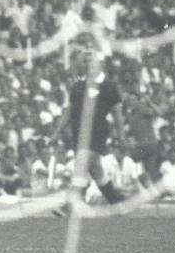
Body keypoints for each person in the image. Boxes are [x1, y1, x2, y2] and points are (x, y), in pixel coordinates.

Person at [50, 52, 126, 209]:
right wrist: (57, 132)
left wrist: (121, 136)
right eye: (85, 61)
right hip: (79, 133)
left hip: (97, 132)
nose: (87, 64)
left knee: (82, 162)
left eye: (91, 61)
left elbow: (117, 114)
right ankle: (116, 202)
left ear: (100, 64)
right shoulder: (78, 86)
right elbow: (69, 111)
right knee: (96, 169)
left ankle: (70, 205)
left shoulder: (109, 86)